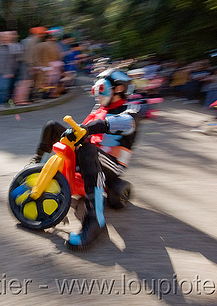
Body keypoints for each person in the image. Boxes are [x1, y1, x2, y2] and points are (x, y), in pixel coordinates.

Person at [30, 70, 139, 250]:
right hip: (90, 152)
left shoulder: (130, 112)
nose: (98, 94)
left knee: (88, 150)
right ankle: (35, 167)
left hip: (112, 163)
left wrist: (87, 129)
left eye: (102, 89)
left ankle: (96, 222)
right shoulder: (100, 108)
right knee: (52, 126)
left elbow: (121, 123)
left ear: (119, 89)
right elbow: (83, 129)